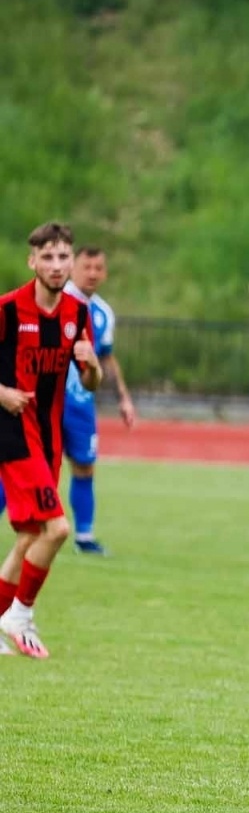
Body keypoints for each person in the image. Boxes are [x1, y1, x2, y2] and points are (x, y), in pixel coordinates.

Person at [0, 222, 102, 658]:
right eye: (48, 257)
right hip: (12, 435)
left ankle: (4, 615)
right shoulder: (7, 310)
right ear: (33, 261)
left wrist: (91, 363)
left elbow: (92, 382)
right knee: (57, 528)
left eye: (64, 257)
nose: (57, 266)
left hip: (47, 438)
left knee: (28, 537)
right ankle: (20, 613)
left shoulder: (76, 315)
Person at [60, 246, 136, 554]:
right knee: (24, 468)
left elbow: (106, 357)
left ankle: (85, 537)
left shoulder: (103, 313)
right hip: (45, 403)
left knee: (84, 467)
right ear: (72, 267)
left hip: (81, 405)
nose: (92, 273)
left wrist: (124, 398)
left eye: (98, 267)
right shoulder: (55, 301)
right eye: (86, 266)